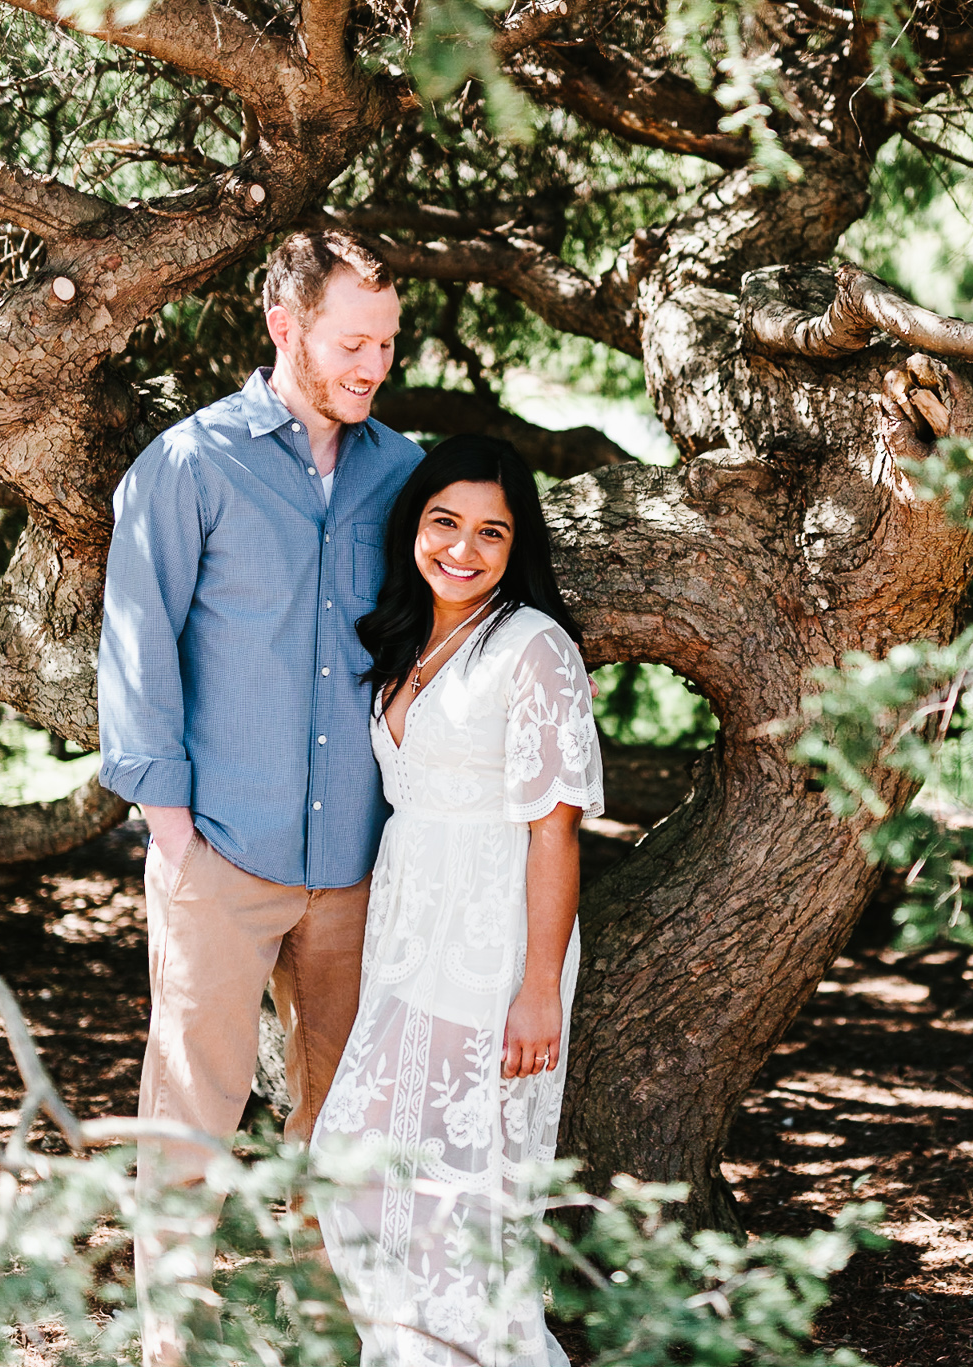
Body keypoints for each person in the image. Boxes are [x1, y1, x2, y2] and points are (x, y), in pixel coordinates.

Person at [96, 228, 427, 1367]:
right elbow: (136, 645)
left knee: (340, 1111)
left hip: (356, 866)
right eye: (351, 340)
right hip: (220, 857)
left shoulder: (403, 472)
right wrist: (173, 832)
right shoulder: (188, 465)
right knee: (191, 1111)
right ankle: (171, 1342)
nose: (373, 363)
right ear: (284, 326)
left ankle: (324, 1330)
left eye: (386, 341)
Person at [313, 434, 604, 1367]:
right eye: (446, 522)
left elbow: (555, 830)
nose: (464, 549)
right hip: (408, 937)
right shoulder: (412, 633)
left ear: (518, 545)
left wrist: (537, 987)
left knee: (461, 1189)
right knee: (361, 1162)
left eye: (492, 531)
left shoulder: (534, 648)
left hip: (492, 950)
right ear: (415, 525)